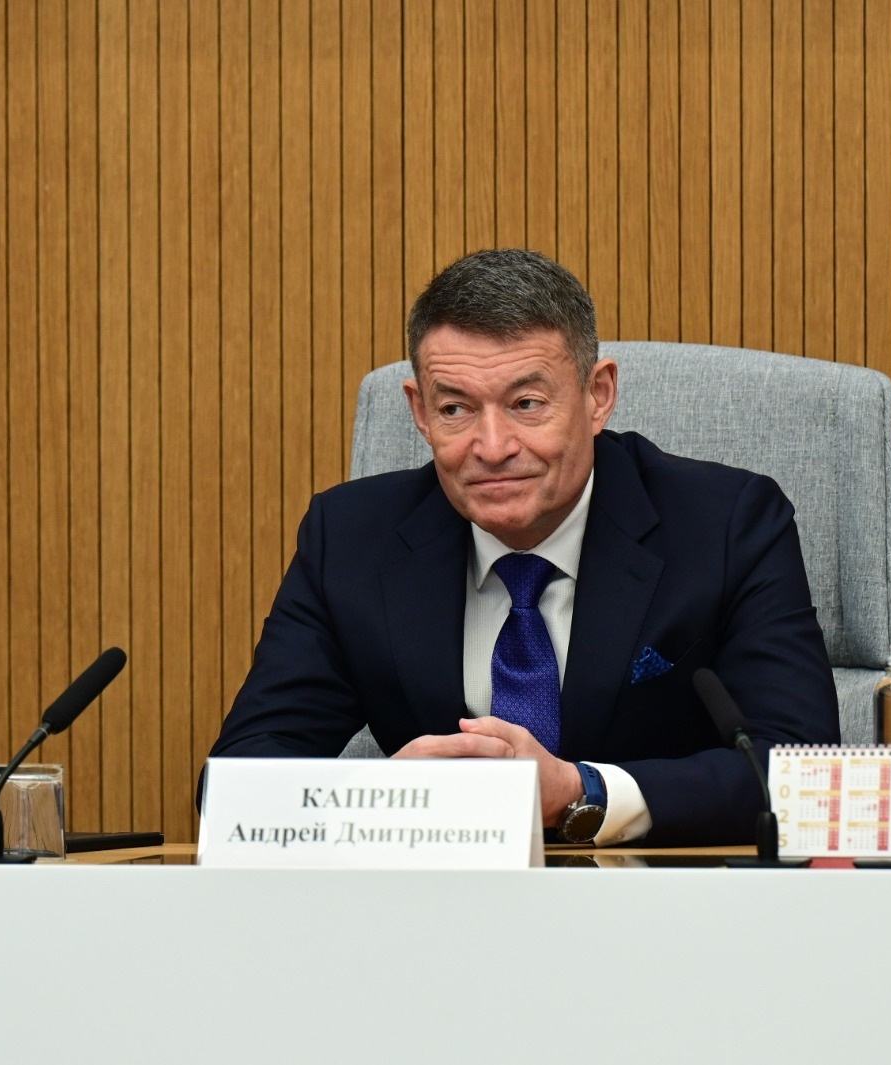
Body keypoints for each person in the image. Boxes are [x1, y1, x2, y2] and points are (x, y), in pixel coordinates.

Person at [206, 249, 838, 845]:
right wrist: (383, 799)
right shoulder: (351, 538)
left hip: (660, 898)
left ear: (597, 396)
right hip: (437, 903)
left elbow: (804, 777)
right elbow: (235, 783)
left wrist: (582, 792)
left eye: (526, 404)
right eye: (455, 409)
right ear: (420, 412)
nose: (492, 447)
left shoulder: (726, 525)